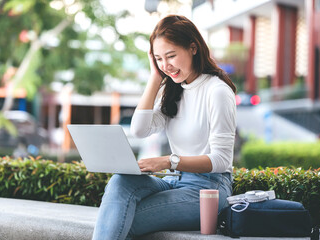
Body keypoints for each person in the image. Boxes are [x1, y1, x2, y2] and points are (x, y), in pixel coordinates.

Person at [92, 15, 237, 240]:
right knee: (120, 180)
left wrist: (169, 160)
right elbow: (139, 130)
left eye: (171, 56)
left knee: (121, 220)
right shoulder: (173, 90)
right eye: (159, 59)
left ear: (193, 48)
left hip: (208, 191)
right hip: (173, 181)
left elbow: (221, 160)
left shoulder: (216, 91)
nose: (166, 66)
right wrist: (154, 78)